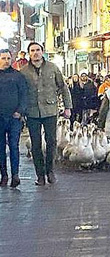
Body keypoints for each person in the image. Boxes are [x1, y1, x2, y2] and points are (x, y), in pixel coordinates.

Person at [21, 42, 72, 186]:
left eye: (38, 50)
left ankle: (50, 171)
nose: (35, 53)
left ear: (42, 51)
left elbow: (63, 87)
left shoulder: (53, 68)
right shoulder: (23, 72)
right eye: (32, 50)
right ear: (29, 53)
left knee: (52, 142)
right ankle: (40, 175)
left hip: (50, 110)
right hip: (32, 112)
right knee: (35, 145)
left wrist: (68, 107)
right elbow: (20, 92)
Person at [0, 49, 27, 188]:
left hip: (14, 118)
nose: (6, 61)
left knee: (14, 147)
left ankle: (15, 175)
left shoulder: (18, 76)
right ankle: (3, 175)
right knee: (0, 149)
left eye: (8, 58)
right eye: (3, 58)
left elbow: (24, 95)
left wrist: (20, 111)